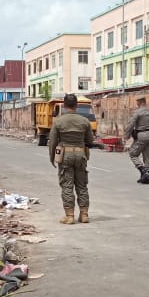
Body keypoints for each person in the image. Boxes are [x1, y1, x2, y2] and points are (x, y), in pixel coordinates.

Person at [47, 93, 94, 225]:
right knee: (82, 185)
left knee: (67, 186)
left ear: (64, 105)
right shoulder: (84, 121)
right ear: (76, 105)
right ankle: (84, 214)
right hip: (80, 155)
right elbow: (90, 140)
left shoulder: (59, 121)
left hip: (65, 156)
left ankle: (70, 216)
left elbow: (53, 142)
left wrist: (52, 158)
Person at [124, 95, 149, 184]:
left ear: (140, 102)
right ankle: (147, 176)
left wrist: (126, 135)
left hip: (141, 135)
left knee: (133, 154)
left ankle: (143, 171)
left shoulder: (137, 112)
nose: (136, 104)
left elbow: (131, 124)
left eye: (137, 102)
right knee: (146, 156)